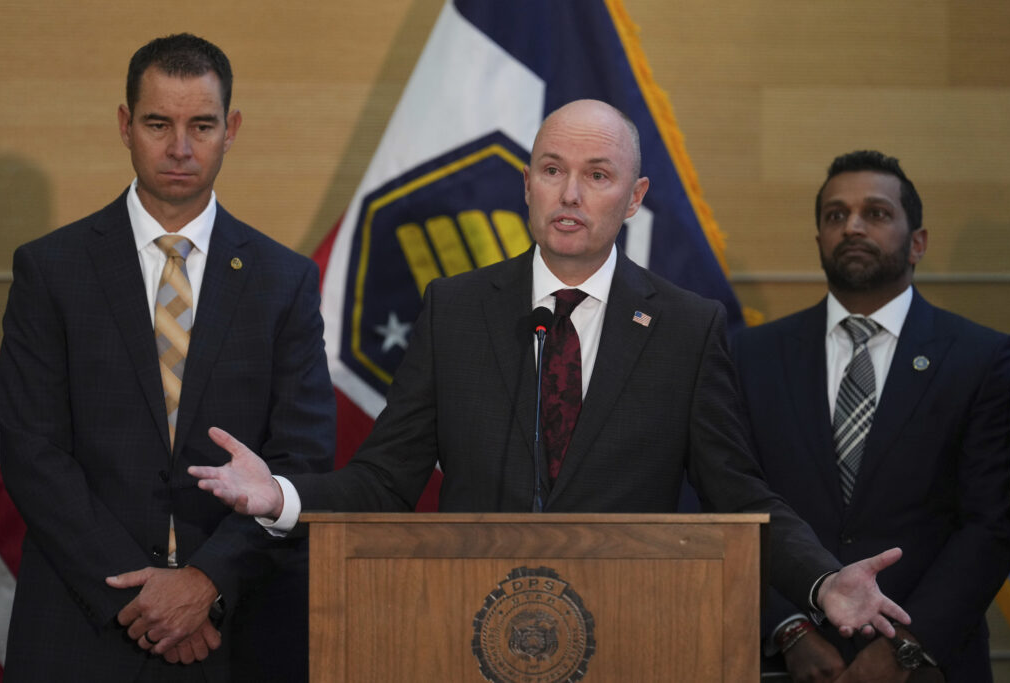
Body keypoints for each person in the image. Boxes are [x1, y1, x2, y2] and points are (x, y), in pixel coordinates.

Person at [192, 99, 910, 638]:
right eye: (552, 170)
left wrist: (820, 581)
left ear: (633, 199)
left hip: (627, 633)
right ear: (527, 185)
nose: (570, 194)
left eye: (597, 176)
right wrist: (281, 495)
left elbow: (737, 493)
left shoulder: (688, 327)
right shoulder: (456, 309)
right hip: (472, 627)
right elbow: (384, 477)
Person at [0, 33, 336, 682]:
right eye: (159, 123)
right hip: (80, 627)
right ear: (126, 125)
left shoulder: (282, 280)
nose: (180, 147)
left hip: (233, 633)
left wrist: (206, 581)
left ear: (230, 129)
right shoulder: (50, 270)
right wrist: (144, 601)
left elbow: (303, 457)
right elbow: (33, 453)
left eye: (201, 124)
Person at [731, 150, 1010, 682]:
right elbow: (729, 508)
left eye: (876, 213)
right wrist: (790, 630)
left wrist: (904, 648)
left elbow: (989, 526)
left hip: (929, 664)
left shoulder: (982, 358)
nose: (852, 226)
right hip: (787, 662)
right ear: (818, 239)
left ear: (919, 242)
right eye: (835, 215)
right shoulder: (750, 356)